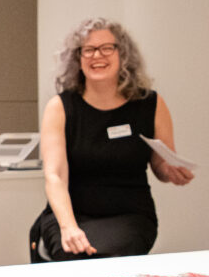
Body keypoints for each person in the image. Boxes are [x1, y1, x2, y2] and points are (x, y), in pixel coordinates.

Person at [31, 17, 193, 261]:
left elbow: (160, 165)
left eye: (107, 48)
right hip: (72, 215)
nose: (98, 56)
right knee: (72, 255)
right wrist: (68, 227)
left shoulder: (150, 104)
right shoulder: (60, 108)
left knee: (109, 256)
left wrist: (170, 171)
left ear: (123, 55)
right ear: (78, 58)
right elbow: (55, 175)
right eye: (88, 50)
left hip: (130, 215)